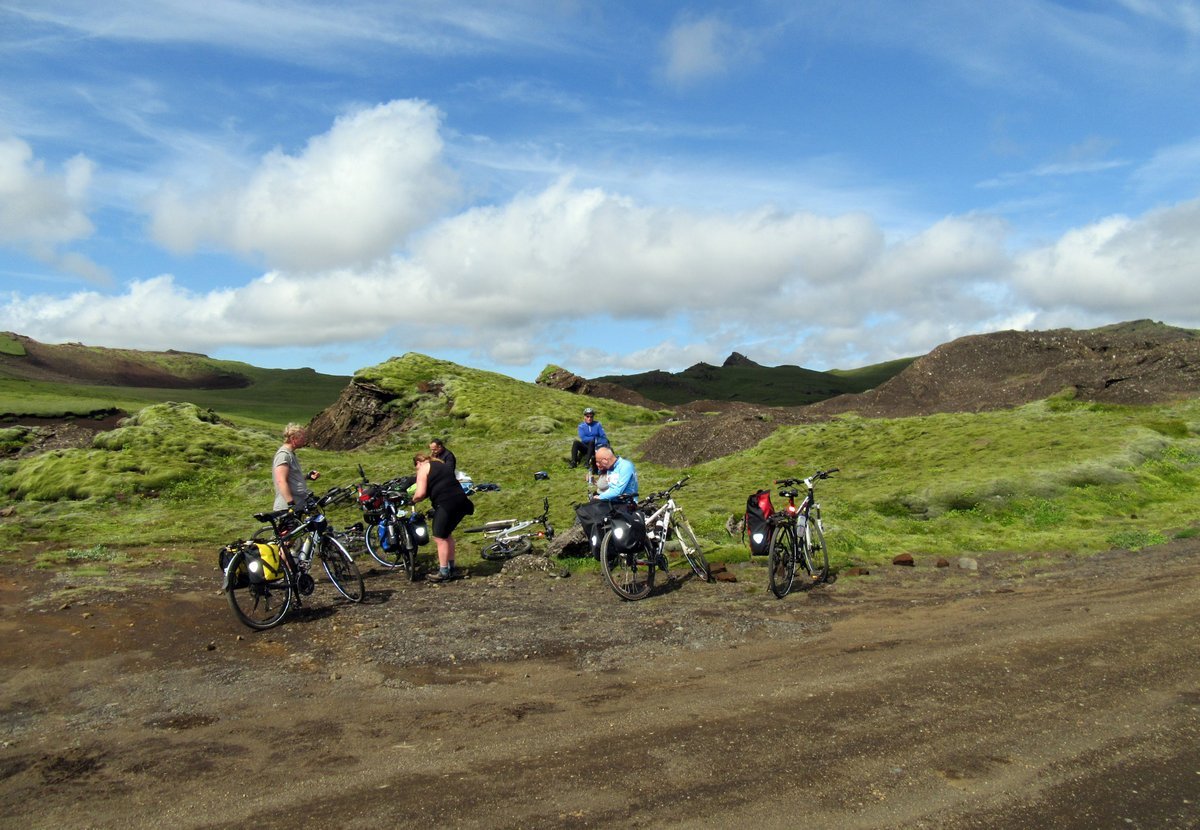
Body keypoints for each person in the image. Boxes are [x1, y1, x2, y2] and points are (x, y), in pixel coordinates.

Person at [411, 450, 474, 583]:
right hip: (462, 502)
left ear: (418, 463)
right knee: (446, 535)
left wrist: (412, 500)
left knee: (439, 537)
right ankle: (451, 568)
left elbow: (420, 493)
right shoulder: (441, 465)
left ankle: (443, 571)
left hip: (446, 503)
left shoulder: (423, 468)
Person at [272, 423, 319, 510]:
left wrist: (307, 476)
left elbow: (291, 478)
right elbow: (281, 481)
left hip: (298, 505)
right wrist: (291, 504)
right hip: (288, 508)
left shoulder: (291, 454)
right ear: (293, 438)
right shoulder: (283, 455)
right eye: (303, 438)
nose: (305, 440)